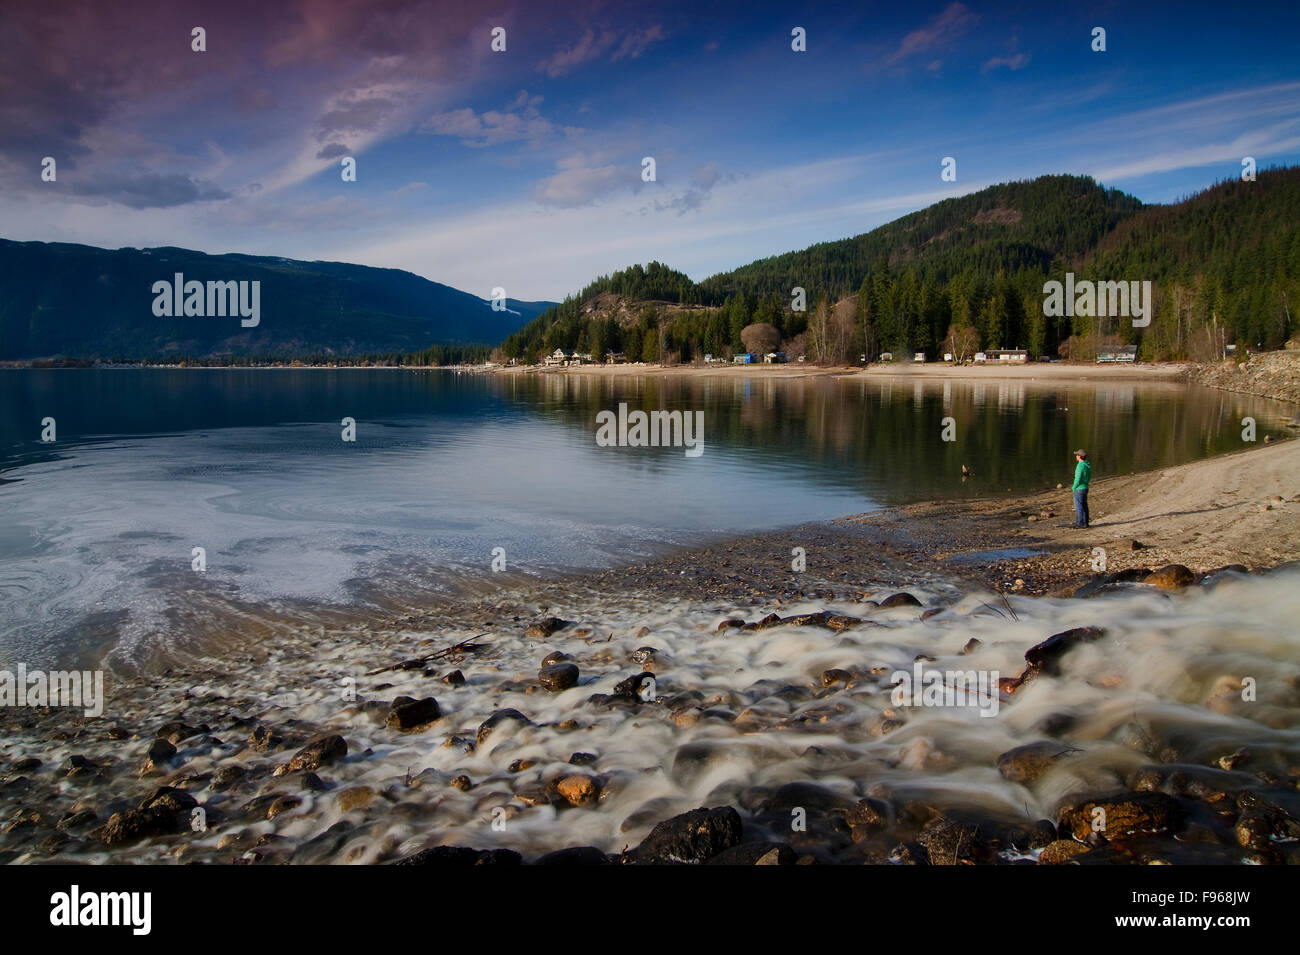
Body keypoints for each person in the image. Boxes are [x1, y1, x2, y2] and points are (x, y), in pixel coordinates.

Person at [1071, 449, 1091, 528]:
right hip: (1085, 487)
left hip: (1079, 488)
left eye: (1077, 455)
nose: (1076, 456)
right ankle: (1085, 522)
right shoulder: (1087, 465)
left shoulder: (1080, 465)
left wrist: (1074, 487)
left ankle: (1079, 523)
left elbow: (1078, 478)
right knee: (1084, 505)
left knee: (1079, 506)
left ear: (1079, 456)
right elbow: (1088, 477)